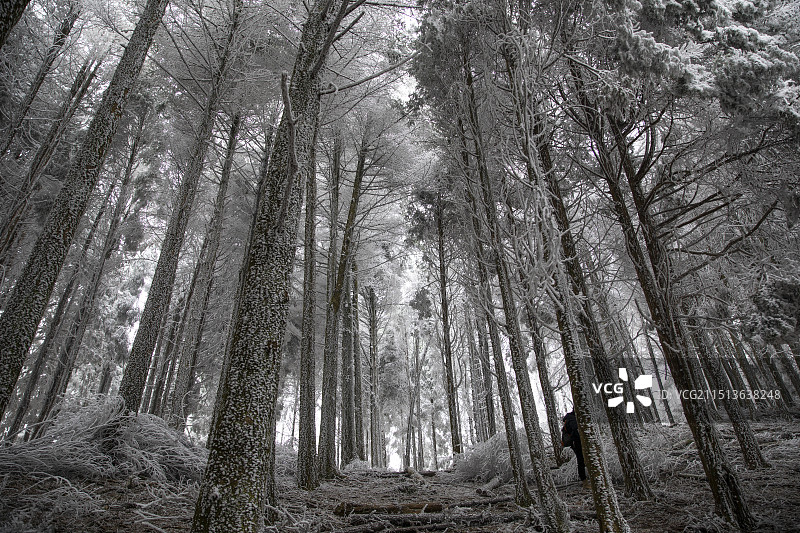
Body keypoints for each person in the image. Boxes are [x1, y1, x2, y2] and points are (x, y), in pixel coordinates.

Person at [562, 410, 590, 488]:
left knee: (581, 460)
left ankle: (585, 480)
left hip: (575, 443)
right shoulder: (572, 419)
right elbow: (575, 430)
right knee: (581, 460)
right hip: (577, 442)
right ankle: (585, 482)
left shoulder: (569, 418)